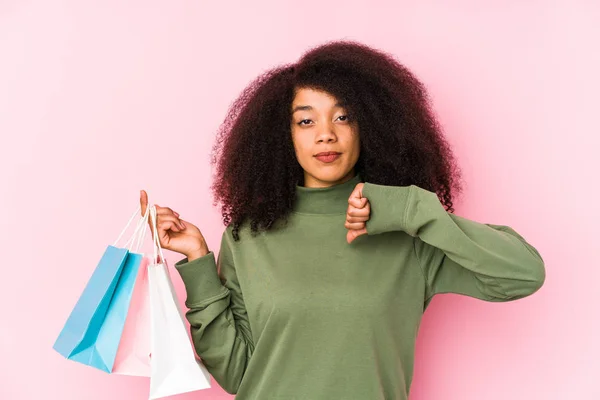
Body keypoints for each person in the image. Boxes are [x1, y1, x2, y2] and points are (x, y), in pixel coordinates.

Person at [139, 40, 545, 400]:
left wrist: (412, 211)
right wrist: (197, 260)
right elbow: (237, 374)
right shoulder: (249, 235)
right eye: (306, 120)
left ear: (371, 125)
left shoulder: (410, 233)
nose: (325, 135)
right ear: (284, 136)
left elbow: (523, 274)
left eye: (343, 117)